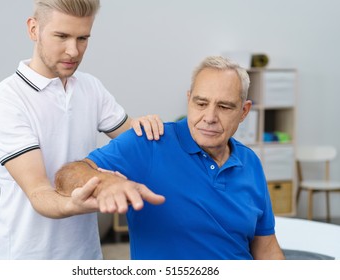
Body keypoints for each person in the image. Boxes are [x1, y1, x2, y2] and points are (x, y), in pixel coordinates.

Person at [0, 0, 164, 260]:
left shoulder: (90, 88)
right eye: (62, 36)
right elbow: (39, 192)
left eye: (82, 38)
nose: (73, 51)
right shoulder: (5, 99)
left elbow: (133, 139)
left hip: (86, 255)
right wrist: (73, 203)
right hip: (28, 259)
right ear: (34, 29)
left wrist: (146, 127)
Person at [54, 56, 286, 260]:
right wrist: (107, 183)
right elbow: (68, 175)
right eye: (201, 103)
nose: (210, 117)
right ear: (189, 99)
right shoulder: (149, 143)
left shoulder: (250, 162)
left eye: (224, 107)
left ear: (244, 111)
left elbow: (266, 248)